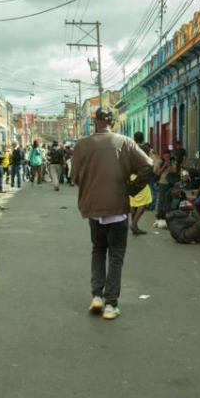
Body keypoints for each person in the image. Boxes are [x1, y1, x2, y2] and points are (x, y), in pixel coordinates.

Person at [69, 107, 153, 320]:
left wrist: (90, 187)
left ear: (94, 122)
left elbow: (74, 177)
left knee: (98, 250)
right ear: (112, 122)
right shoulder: (125, 142)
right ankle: (110, 304)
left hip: (94, 210)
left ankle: (97, 296)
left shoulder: (82, 145)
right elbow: (148, 165)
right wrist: (132, 188)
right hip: (118, 210)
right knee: (116, 256)